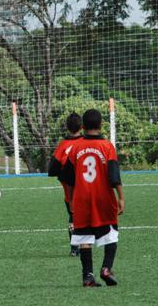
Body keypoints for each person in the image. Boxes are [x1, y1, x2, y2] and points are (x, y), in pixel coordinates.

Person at [62, 109, 125, 287]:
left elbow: (67, 178)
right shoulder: (107, 146)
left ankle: (87, 276)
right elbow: (114, 176)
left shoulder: (75, 147)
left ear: (83, 126)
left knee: (84, 236)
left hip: (82, 198)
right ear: (101, 125)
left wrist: (71, 199)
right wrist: (121, 197)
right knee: (111, 233)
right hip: (103, 196)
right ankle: (106, 268)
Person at [48, 112, 84, 257]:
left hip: (70, 194)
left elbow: (52, 169)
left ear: (66, 127)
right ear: (82, 126)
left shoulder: (63, 145)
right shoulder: (87, 143)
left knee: (73, 217)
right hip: (88, 190)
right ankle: (86, 245)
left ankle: (74, 248)